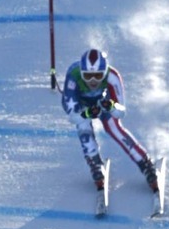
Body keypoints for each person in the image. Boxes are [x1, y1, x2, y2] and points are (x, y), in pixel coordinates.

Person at [61, 47, 159, 192]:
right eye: (88, 76)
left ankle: (145, 163)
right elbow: (73, 116)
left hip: (104, 102)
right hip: (82, 106)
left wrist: (111, 106)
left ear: (105, 72)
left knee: (114, 128)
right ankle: (95, 163)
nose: (93, 81)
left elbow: (121, 112)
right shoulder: (73, 76)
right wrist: (88, 113)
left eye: (98, 76)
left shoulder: (112, 76)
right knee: (83, 127)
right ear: (82, 74)